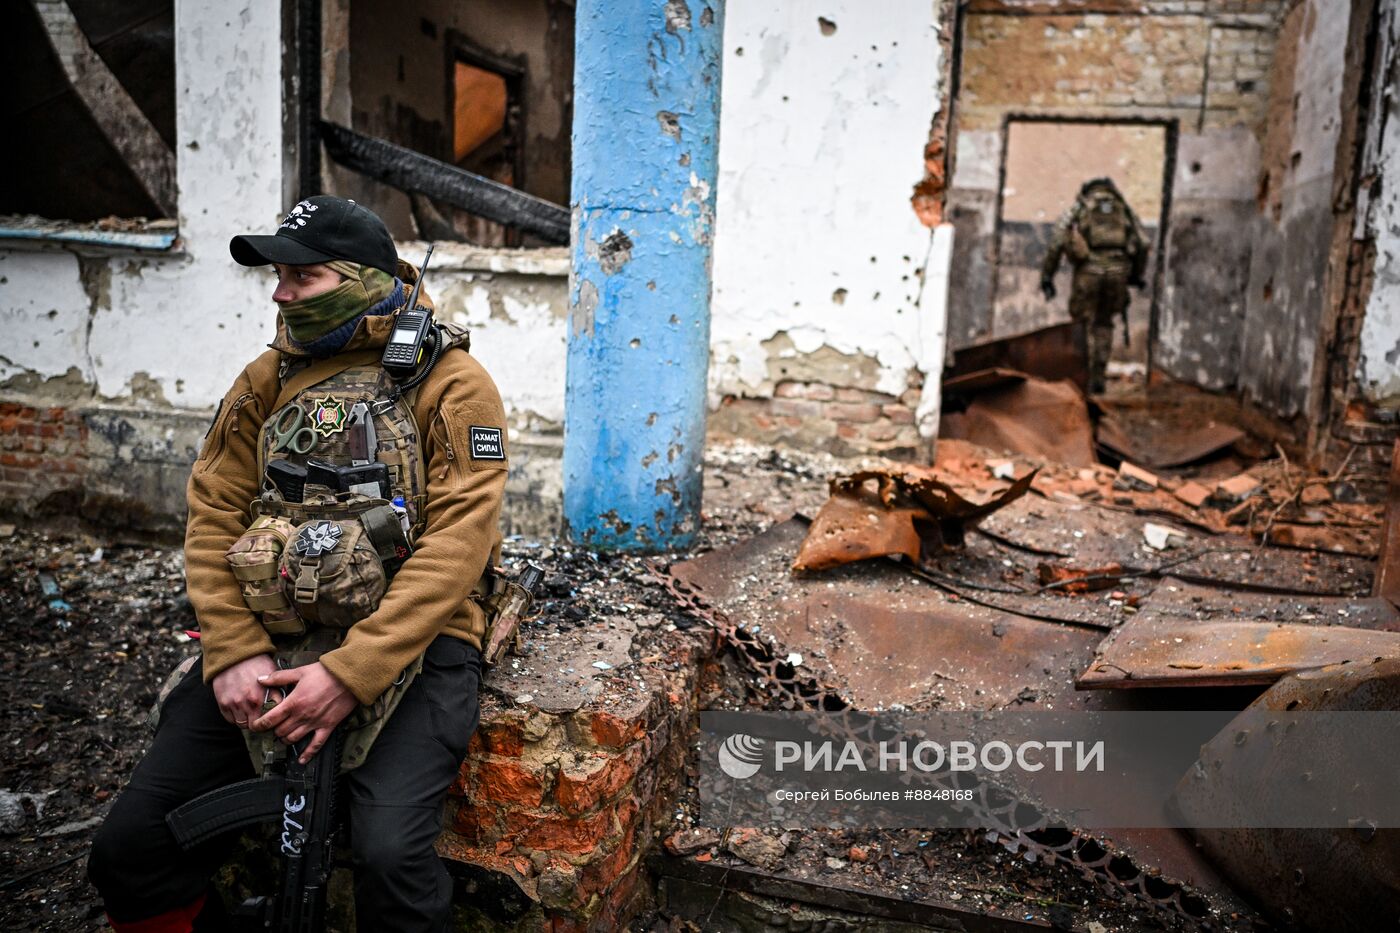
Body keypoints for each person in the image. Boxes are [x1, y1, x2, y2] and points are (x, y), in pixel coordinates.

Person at [88, 195, 509, 932]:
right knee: (130, 848)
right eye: (277, 277)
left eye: (301, 277)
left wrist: (351, 672)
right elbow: (214, 508)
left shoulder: (451, 382)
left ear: (359, 279)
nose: (281, 294)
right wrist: (231, 650)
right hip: (271, 634)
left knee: (390, 859)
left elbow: (459, 543)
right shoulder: (267, 377)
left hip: (415, 644)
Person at [1039, 177, 1149, 395]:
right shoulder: (1123, 209)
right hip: (1118, 272)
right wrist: (1135, 275)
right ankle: (1099, 376)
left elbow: (1057, 242)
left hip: (1088, 272)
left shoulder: (1081, 206)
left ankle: (1083, 375)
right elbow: (1144, 243)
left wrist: (1047, 277)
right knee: (1104, 323)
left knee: (1082, 324)